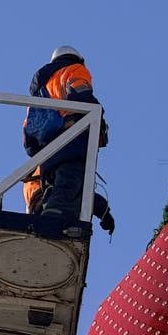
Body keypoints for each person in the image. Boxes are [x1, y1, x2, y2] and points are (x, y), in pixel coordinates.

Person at [22, 45, 113, 232]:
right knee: (66, 190)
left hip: (48, 156)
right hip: (72, 143)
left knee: (64, 188)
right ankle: (53, 222)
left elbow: (29, 142)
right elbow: (82, 95)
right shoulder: (74, 69)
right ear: (79, 60)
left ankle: (51, 218)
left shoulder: (38, 92)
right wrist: (99, 120)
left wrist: (102, 210)